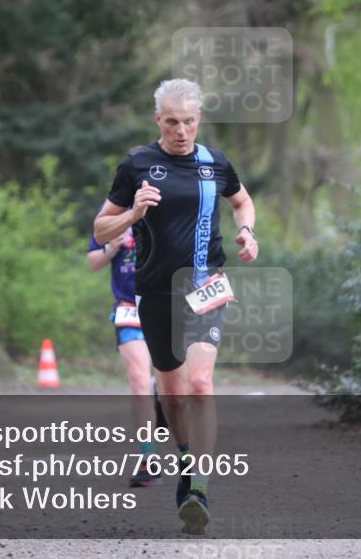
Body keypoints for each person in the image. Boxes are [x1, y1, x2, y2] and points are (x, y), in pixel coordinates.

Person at [94, 78, 258, 534]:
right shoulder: (138, 165)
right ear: (157, 120)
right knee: (173, 393)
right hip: (154, 291)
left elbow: (243, 202)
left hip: (206, 285)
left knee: (201, 383)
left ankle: (199, 485)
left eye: (188, 121)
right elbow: (101, 229)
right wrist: (132, 214)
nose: (181, 130)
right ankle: (185, 461)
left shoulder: (215, 164)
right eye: (171, 122)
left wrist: (248, 232)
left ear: (199, 119)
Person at [86, 221, 162, 487]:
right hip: (128, 309)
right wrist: (112, 247)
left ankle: (161, 400)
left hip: (166, 303)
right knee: (139, 381)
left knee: (173, 387)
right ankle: (149, 458)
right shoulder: (113, 212)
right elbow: (93, 262)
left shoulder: (167, 199)